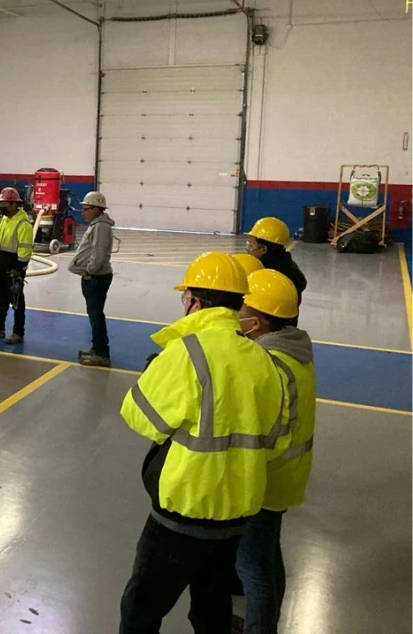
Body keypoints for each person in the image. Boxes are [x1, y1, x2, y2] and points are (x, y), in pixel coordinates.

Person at [118, 252, 289, 634]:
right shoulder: (264, 359)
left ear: (195, 301)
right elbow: (276, 437)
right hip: (236, 513)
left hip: (183, 510)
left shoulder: (186, 352)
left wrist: (155, 374)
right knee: (212, 605)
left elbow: (141, 416)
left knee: (141, 607)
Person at [235, 269, 316, 634]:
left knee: (254, 566)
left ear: (259, 321)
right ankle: (260, 622)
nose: (238, 311)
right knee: (266, 557)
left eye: (244, 306)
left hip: (265, 481)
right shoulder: (293, 348)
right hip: (286, 474)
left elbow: (259, 428)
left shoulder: (269, 364)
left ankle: (260, 628)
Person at [0, 187, 34, 345]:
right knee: (0, 300)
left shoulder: (23, 224)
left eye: (4, 203)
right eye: (1, 203)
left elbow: (24, 250)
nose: (1, 206)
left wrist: (18, 268)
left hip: (14, 270)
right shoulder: (3, 220)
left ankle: (18, 332)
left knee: (17, 303)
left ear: (13, 204)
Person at [67, 191, 115, 367]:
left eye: (86, 209)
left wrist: (89, 272)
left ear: (97, 209)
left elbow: (98, 254)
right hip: (94, 276)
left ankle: (102, 353)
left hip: (96, 277)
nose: (83, 212)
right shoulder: (96, 225)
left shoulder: (101, 227)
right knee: (94, 315)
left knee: (96, 316)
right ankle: (97, 348)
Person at [245, 218, 307, 306]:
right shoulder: (286, 263)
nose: (247, 250)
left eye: (250, 246)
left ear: (263, 249)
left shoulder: (272, 276)